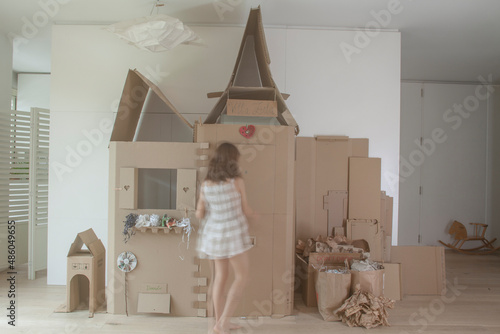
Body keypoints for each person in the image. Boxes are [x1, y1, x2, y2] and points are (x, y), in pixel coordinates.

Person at [196, 142, 255, 334]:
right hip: (232, 235)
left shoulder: (206, 184)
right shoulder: (237, 182)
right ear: (232, 161)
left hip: (213, 235)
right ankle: (223, 322)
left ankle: (220, 323)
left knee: (220, 278)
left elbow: (199, 214)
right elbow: (246, 210)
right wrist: (256, 216)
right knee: (242, 277)